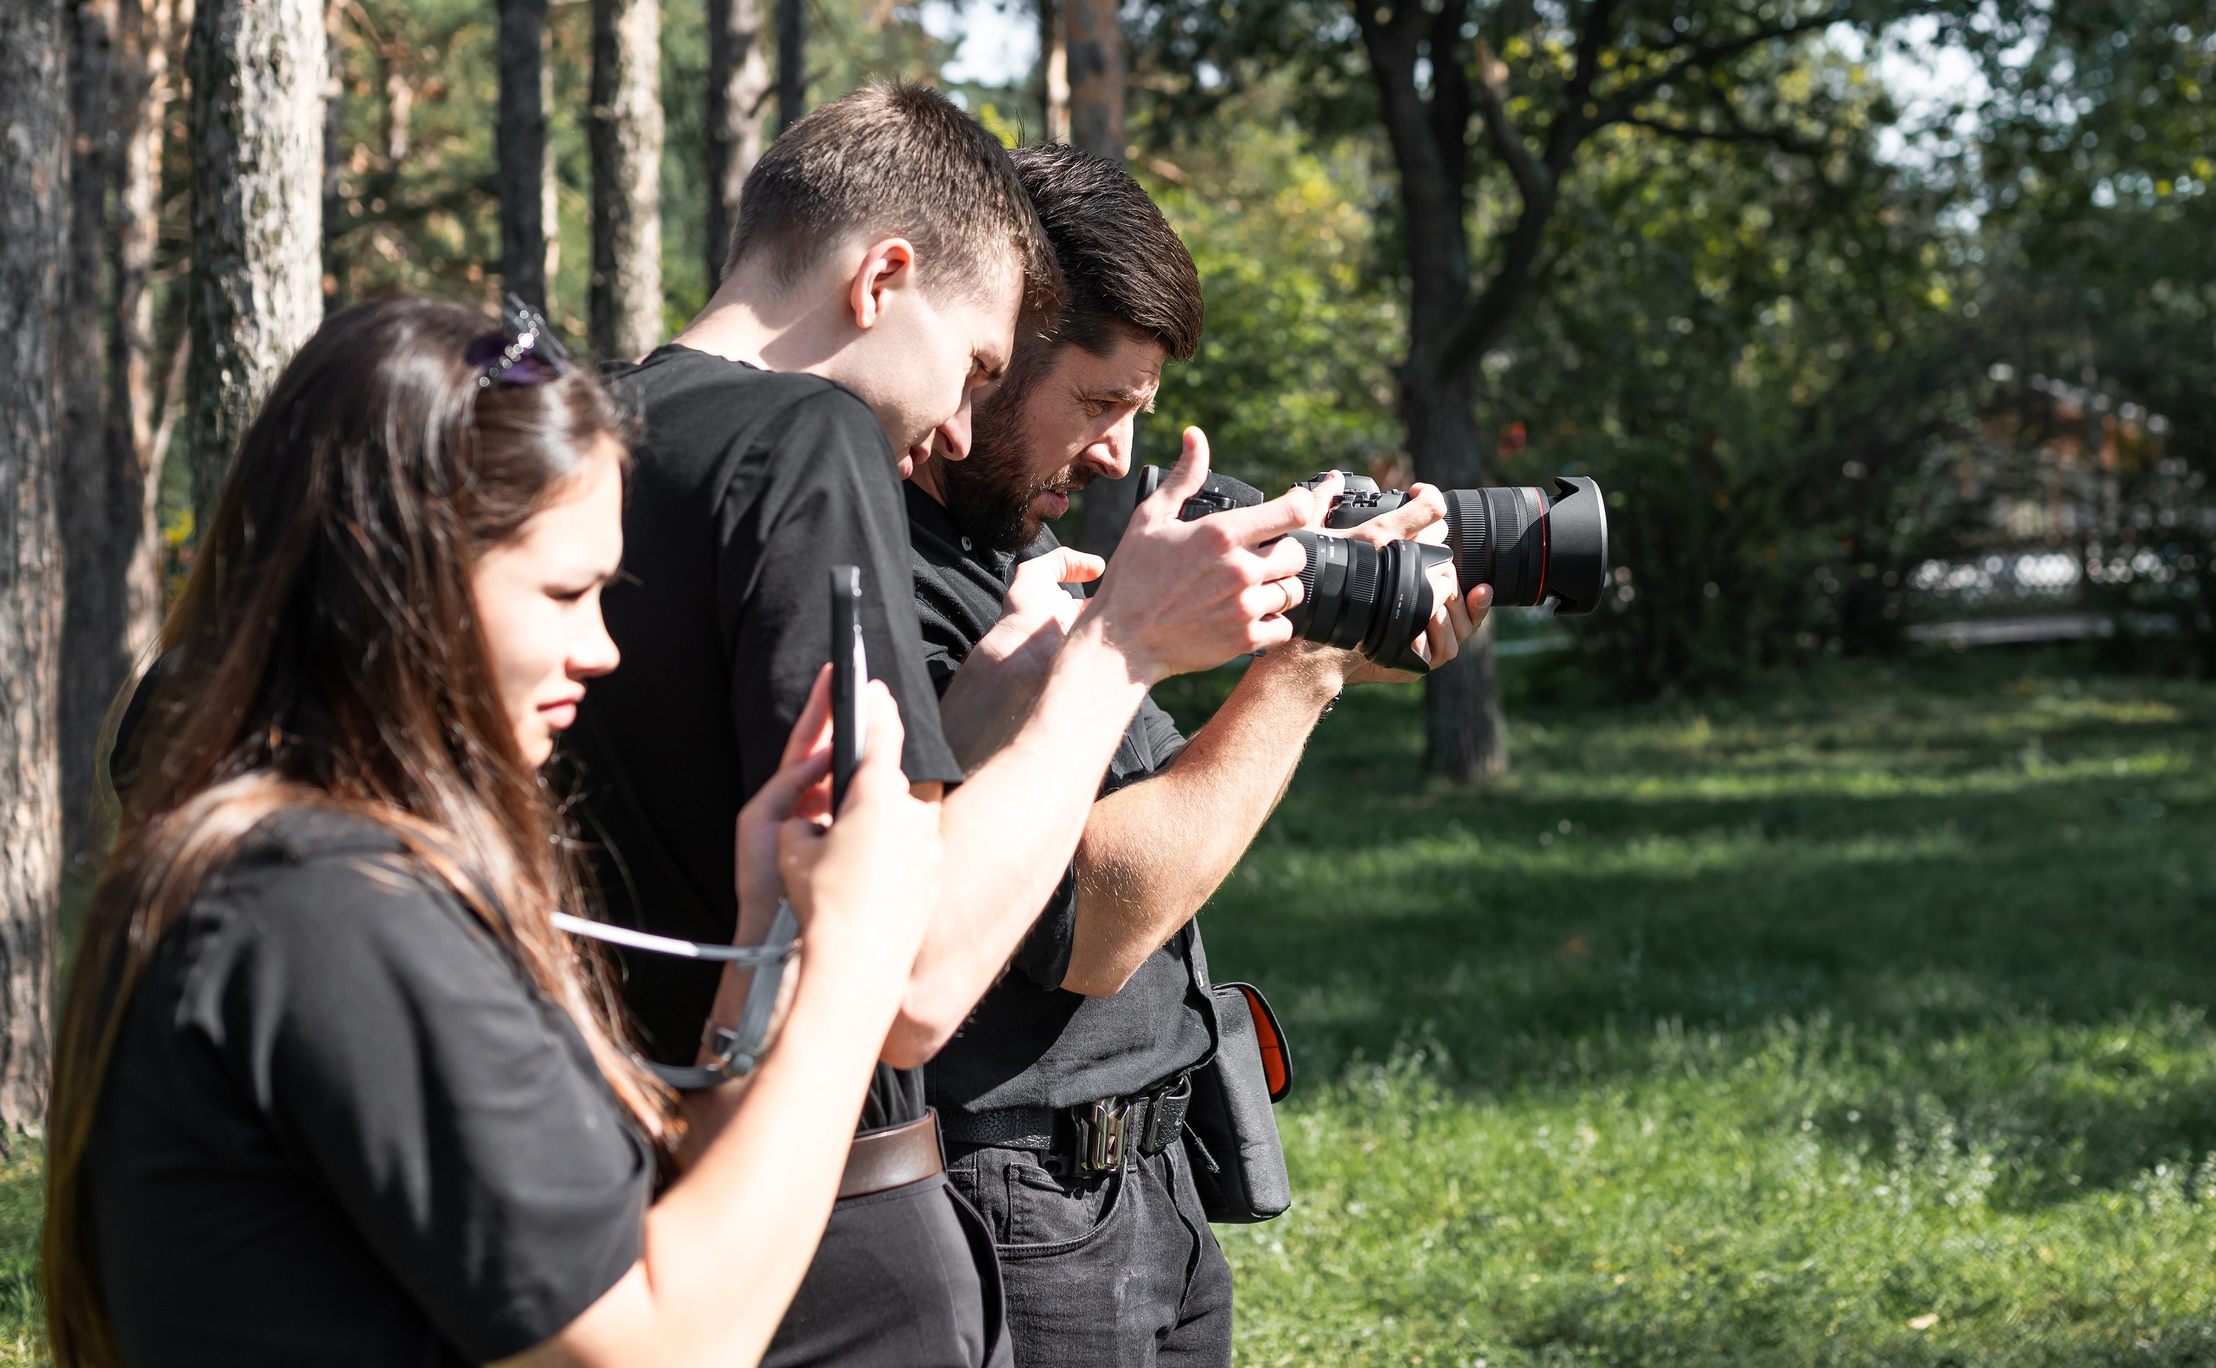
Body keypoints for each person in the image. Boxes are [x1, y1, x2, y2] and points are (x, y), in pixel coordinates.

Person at [565, 83, 1322, 1368]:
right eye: (975, 364)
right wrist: (1117, 651)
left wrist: (975, 705)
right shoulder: (804, 437)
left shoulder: (571, 431)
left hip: (617, 1197)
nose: (956, 427)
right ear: (884, 276)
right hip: (836, 1227)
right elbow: (906, 982)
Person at [41, 297, 943, 1368]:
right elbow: (656, 1344)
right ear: (398, 569)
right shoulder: (322, 906)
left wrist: (772, 931)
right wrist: (858, 952)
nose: (600, 646)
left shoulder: (327, 873)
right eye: (565, 591)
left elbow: (628, 1225)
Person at [909, 144, 1494, 1368]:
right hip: (1023, 1198)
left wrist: (1324, 642)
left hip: (1149, 1179)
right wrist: (1306, 663)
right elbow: (1103, 919)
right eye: (1098, 403)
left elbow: (1159, 791)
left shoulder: (1012, 553)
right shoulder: (910, 575)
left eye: (1137, 411)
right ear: (986, 349)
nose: (1118, 455)